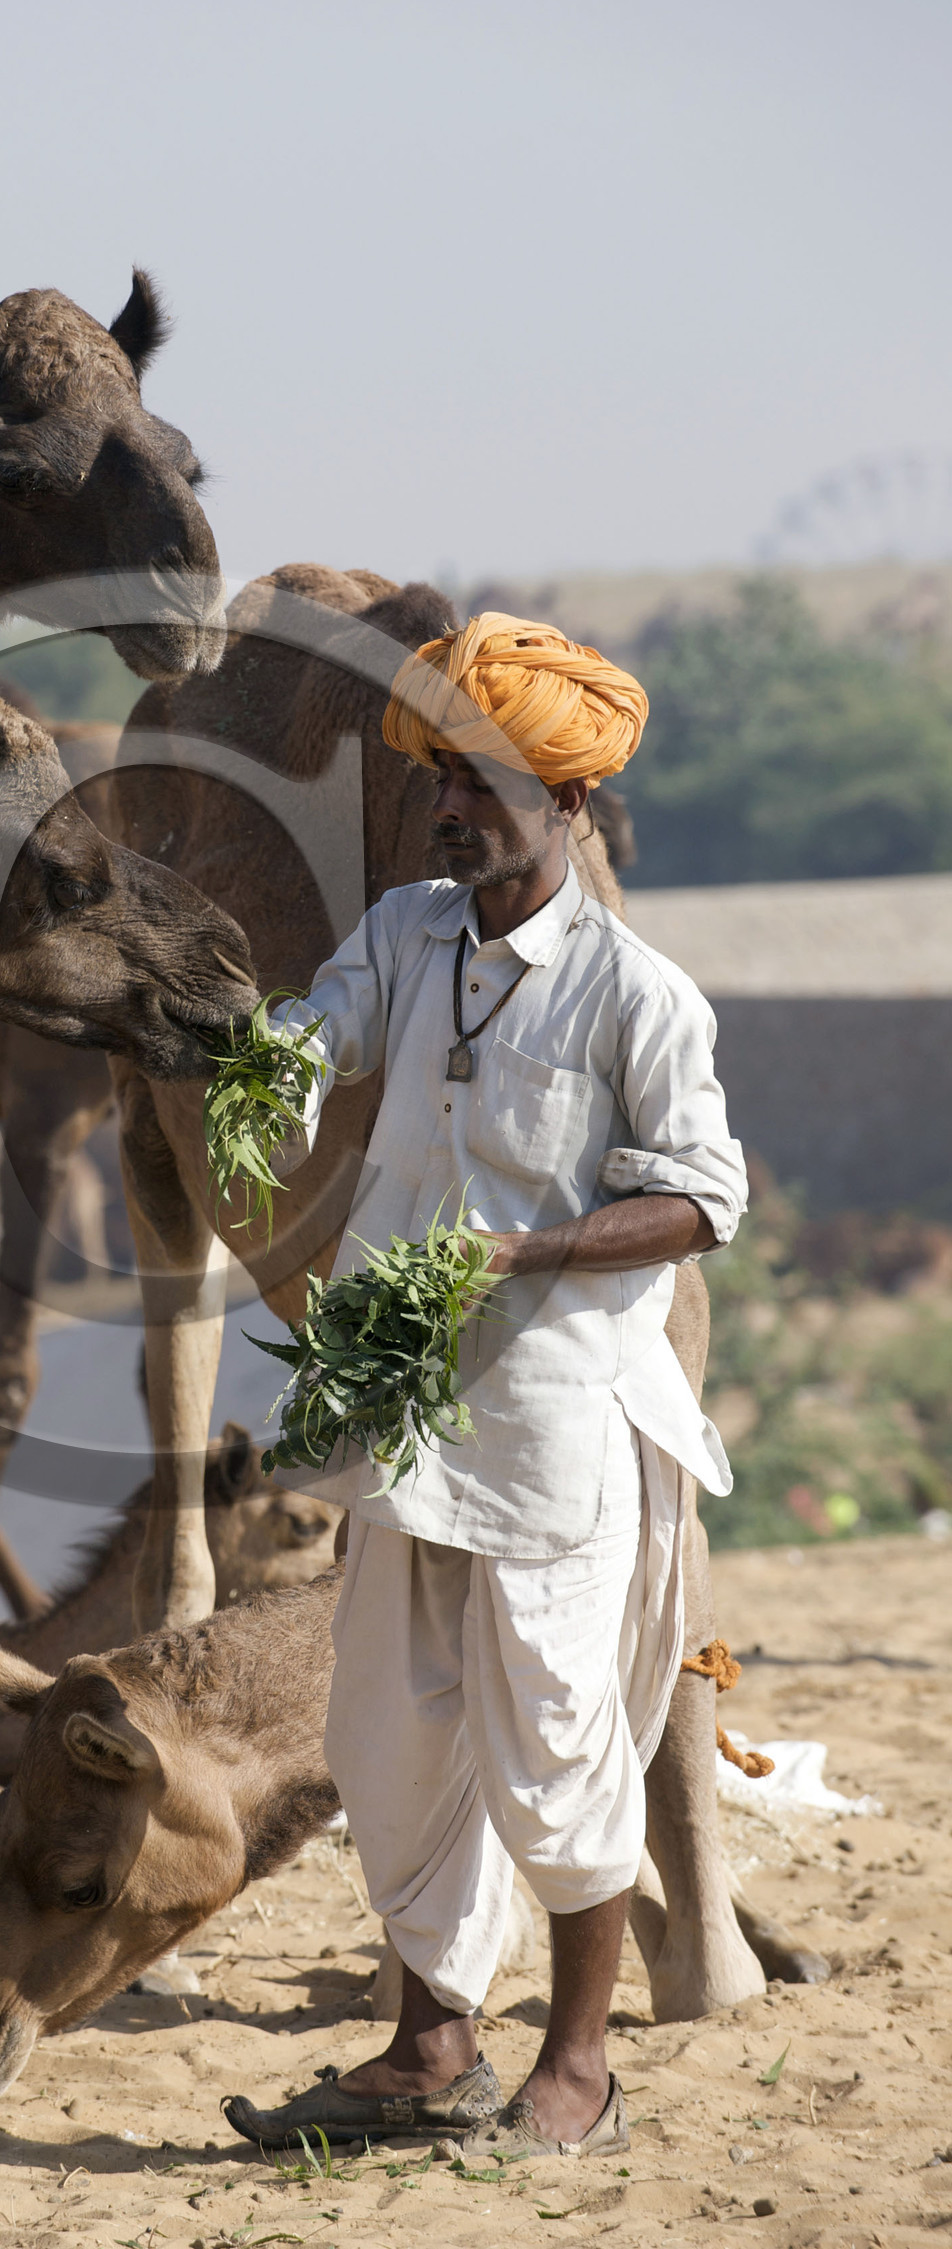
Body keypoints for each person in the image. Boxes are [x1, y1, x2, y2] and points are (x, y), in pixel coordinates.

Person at [221, 614, 746, 2161]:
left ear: (569, 802)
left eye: (482, 783)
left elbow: (706, 1196)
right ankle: (430, 2047)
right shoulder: (405, 936)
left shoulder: (640, 998)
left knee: (561, 1754)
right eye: (439, 778)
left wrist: (527, 1250)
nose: (449, 808)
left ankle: (577, 2067)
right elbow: (329, 1022)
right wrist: (276, 1061)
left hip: (554, 1436)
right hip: (406, 1431)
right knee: (391, 1740)